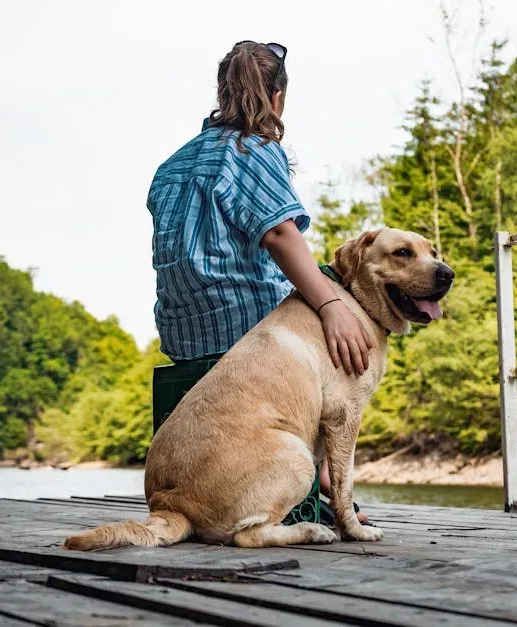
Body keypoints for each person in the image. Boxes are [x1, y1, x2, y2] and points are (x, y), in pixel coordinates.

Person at [147, 41, 370, 524]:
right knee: (351, 331)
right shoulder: (253, 149)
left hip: (183, 342)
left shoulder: (172, 166)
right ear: (277, 99)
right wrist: (331, 305)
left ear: (222, 92)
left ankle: (320, 477)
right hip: (247, 338)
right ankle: (330, 483)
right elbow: (280, 234)